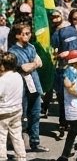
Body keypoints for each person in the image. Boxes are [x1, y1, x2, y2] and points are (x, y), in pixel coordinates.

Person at [7, 23, 44, 155]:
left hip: (34, 85)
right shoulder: (12, 51)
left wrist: (32, 64)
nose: (28, 35)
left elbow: (40, 62)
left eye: (29, 33)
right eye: (25, 33)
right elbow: (24, 68)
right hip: (20, 88)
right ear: (17, 35)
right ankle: (18, 145)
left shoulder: (31, 47)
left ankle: (35, 143)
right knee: (20, 117)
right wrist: (33, 64)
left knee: (35, 115)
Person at [0, 52, 25, 161]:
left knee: (1, 136)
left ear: (2, 66)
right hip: (17, 110)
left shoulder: (3, 80)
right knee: (17, 134)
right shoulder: (18, 76)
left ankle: (2, 156)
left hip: (3, 112)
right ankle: (21, 156)